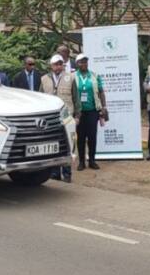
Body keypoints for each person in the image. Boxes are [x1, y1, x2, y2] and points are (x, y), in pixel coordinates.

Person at [41, 54, 76, 182]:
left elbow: (76, 98)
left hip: (67, 117)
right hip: (51, 119)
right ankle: (54, 174)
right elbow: (40, 98)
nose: (58, 66)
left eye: (60, 64)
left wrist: (77, 116)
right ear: (51, 66)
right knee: (54, 145)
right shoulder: (44, 79)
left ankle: (67, 175)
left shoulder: (71, 77)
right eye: (56, 64)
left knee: (67, 146)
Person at [72, 54, 107, 171]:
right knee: (80, 137)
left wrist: (104, 106)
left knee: (92, 136)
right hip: (79, 112)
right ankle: (81, 161)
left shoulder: (94, 75)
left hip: (92, 111)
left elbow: (101, 92)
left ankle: (92, 160)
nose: (84, 64)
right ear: (77, 64)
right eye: (81, 62)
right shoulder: (72, 77)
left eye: (85, 62)